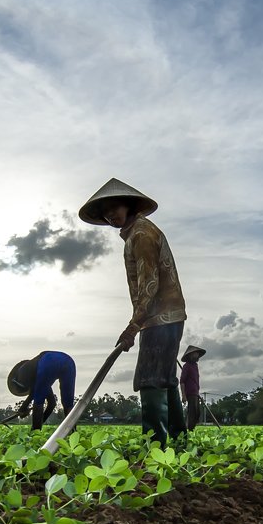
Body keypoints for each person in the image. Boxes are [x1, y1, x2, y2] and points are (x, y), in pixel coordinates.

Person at [79, 178, 187, 447]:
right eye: (106, 213)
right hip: (165, 316)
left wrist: (132, 326)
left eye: (115, 208)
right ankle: (180, 440)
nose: (111, 215)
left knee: (150, 379)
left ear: (128, 205)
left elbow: (149, 285)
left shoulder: (141, 235)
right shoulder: (137, 233)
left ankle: (155, 446)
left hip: (159, 316)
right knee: (166, 379)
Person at [7, 351, 77, 430]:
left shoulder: (22, 375)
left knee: (38, 401)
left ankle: (35, 432)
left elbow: (34, 394)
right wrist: (40, 421)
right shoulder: (37, 374)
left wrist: (23, 408)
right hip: (69, 361)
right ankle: (73, 431)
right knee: (68, 404)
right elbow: (52, 404)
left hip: (48, 361)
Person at [179, 345, 206, 431]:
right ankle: (189, 429)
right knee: (192, 413)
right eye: (195, 353)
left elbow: (195, 381)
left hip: (195, 393)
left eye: (197, 354)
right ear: (190, 355)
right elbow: (182, 381)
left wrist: (197, 393)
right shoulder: (186, 366)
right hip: (189, 393)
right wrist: (183, 395)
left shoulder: (195, 366)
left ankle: (191, 428)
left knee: (197, 413)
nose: (197, 355)